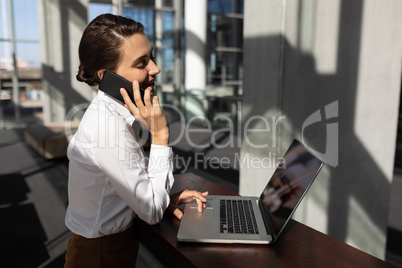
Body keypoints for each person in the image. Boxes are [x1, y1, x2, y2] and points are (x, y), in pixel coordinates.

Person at [64, 13, 208, 267]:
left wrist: (166, 199)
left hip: (107, 245)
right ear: (107, 76)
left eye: (151, 57)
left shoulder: (113, 114)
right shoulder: (108, 129)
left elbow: (131, 187)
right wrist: (161, 135)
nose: (155, 68)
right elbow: (151, 212)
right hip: (100, 254)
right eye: (141, 64)